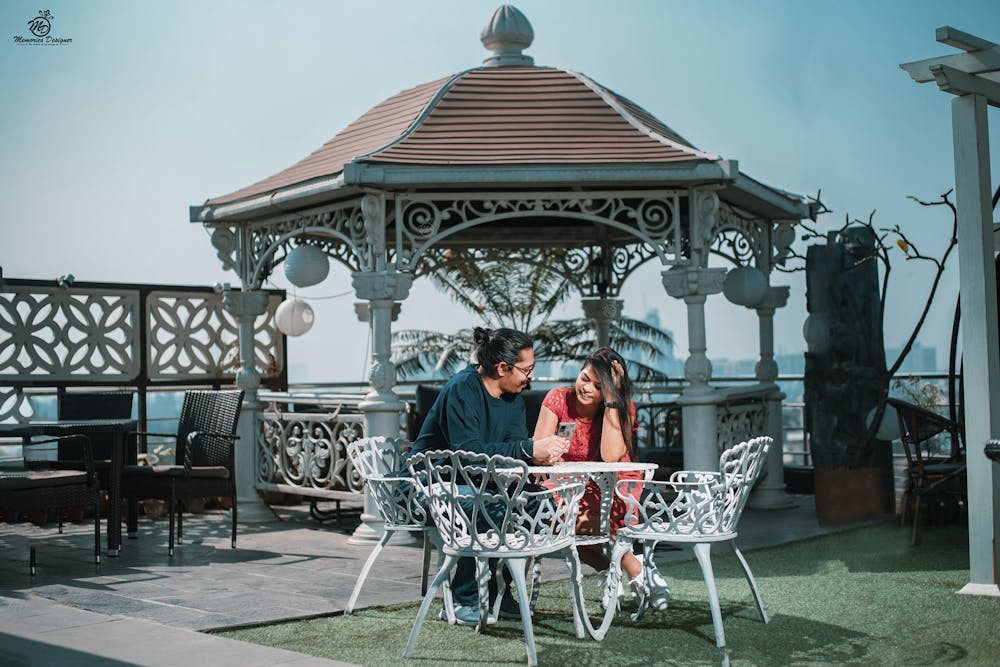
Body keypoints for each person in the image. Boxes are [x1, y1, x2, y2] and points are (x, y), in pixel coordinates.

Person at [408, 326, 570, 626]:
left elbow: (512, 452)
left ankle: (497, 591)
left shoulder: (513, 398)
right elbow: (469, 455)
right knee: (488, 507)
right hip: (431, 486)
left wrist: (539, 460)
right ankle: (461, 599)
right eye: (527, 369)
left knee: (543, 507)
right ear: (502, 367)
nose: (530, 377)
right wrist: (528, 449)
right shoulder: (462, 389)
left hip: (481, 486)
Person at [533, 347, 670, 610]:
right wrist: (551, 456)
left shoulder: (621, 407)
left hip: (616, 475)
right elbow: (539, 453)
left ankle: (631, 568)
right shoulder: (558, 398)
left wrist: (610, 400)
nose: (587, 389)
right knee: (553, 520)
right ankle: (623, 567)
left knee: (606, 519)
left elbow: (610, 456)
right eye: (585, 378)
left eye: (598, 386)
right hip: (568, 477)